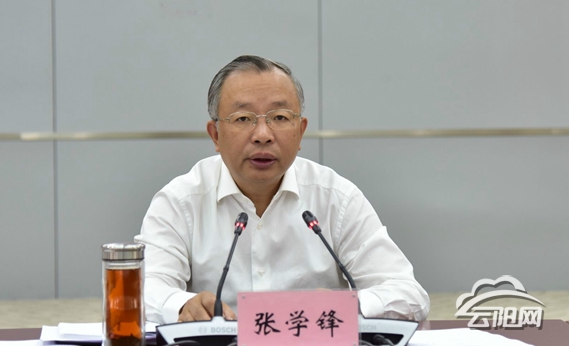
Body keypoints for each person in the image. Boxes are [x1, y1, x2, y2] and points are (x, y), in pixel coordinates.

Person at [139, 55, 429, 324]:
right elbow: (142, 289)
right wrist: (182, 306)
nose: (263, 135)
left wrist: (346, 305)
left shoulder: (336, 198)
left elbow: (408, 294)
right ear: (215, 135)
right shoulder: (180, 202)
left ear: (300, 131)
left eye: (279, 117)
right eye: (243, 119)